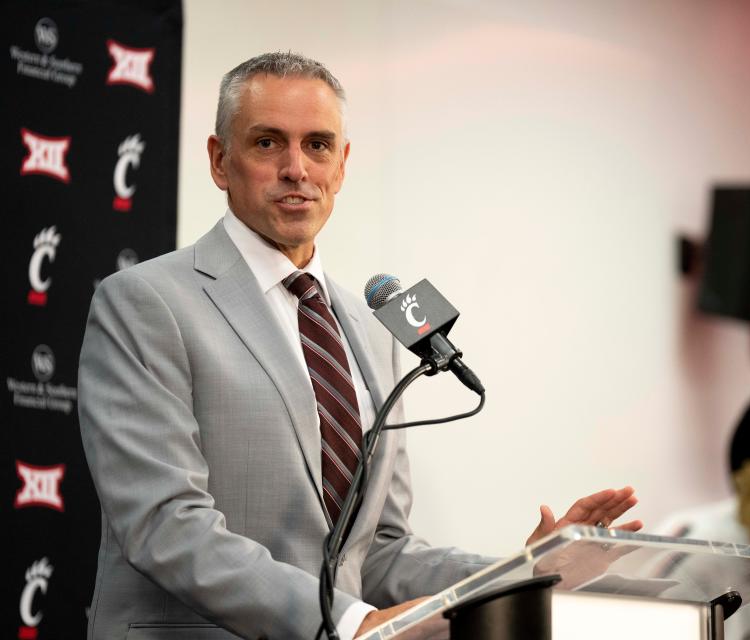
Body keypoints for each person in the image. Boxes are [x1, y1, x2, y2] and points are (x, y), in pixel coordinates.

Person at [78, 52, 641, 640]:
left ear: (341, 166)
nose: (296, 168)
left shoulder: (372, 326)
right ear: (220, 161)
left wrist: (524, 573)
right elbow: (165, 525)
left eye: (318, 145)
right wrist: (354, 622)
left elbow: (377, 553)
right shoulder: (145, 302)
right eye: (268, 143)